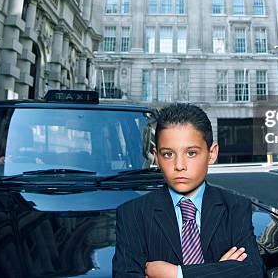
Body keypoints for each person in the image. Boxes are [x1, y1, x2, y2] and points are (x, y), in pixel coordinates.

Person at [112, 103, 265, 278]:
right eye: (168, 154)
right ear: (156, 157)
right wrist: (222, 271)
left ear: (212, 153)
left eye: (191, 153)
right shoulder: (132, 214)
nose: (179, 166)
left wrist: (176, 273)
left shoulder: (236, 207)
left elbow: (254, 272)